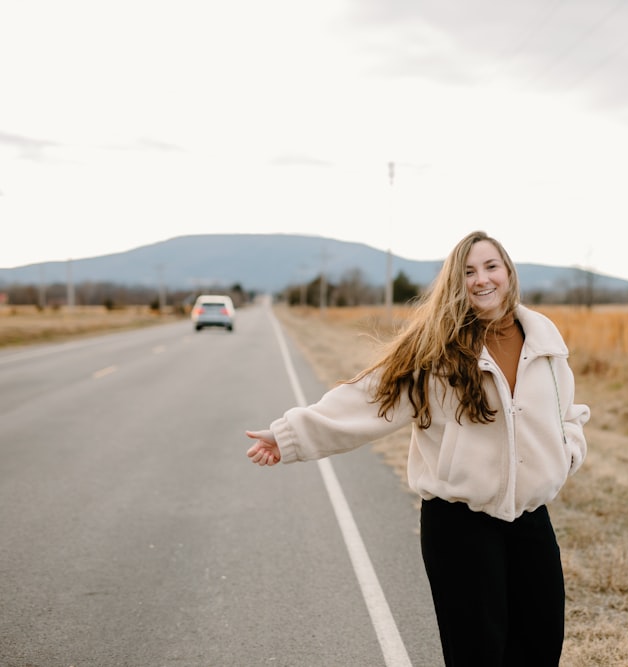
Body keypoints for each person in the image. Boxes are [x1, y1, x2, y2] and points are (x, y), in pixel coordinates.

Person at [245, 230, 590, 666]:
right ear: (454, 282)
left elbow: (566, 411)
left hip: (530, 522)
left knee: (540, 646)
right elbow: (368, 397)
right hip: (460, 526)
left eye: (490, 267)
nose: (481, 280)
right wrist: (289, 435)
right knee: (478, 655)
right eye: (468, 272)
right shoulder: (436, 347)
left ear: (508, 272)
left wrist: (567, 452)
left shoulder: (544, 339)